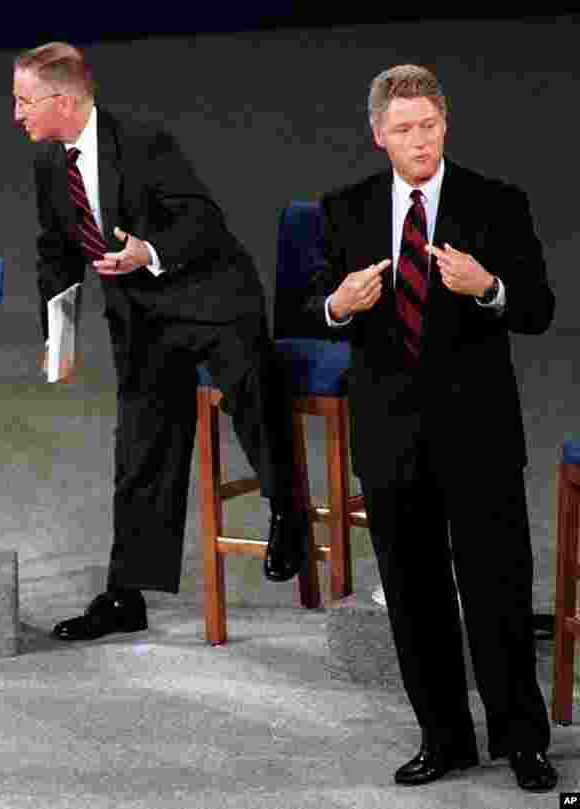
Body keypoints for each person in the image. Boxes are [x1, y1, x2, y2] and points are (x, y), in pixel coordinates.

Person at [306, 64, 556, 792]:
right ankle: (443, 738)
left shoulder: (496, 203)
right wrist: (340, 304)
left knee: (498, 590)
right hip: (389, 432)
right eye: (405, 130)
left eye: (431, 126)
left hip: (477, 429)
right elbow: (301, 310)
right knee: (414, 598)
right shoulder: (345, 210)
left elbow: (537, 307)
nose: (420, 141)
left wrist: (489, 288)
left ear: (446, 125)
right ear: (378, 134)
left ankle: (522, 741)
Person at [13, 42, 308, 643]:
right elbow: (55, 251)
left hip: (209, 300)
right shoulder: (49, 162)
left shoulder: (143, 142)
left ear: (62, 100)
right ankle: (127, 594)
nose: (15, 113)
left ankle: (289, 512)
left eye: (22, 101)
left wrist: (146, 251)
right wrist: (57, 336)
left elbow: (203, 221)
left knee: (252, 392)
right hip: (143, 317)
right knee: (141, 450)